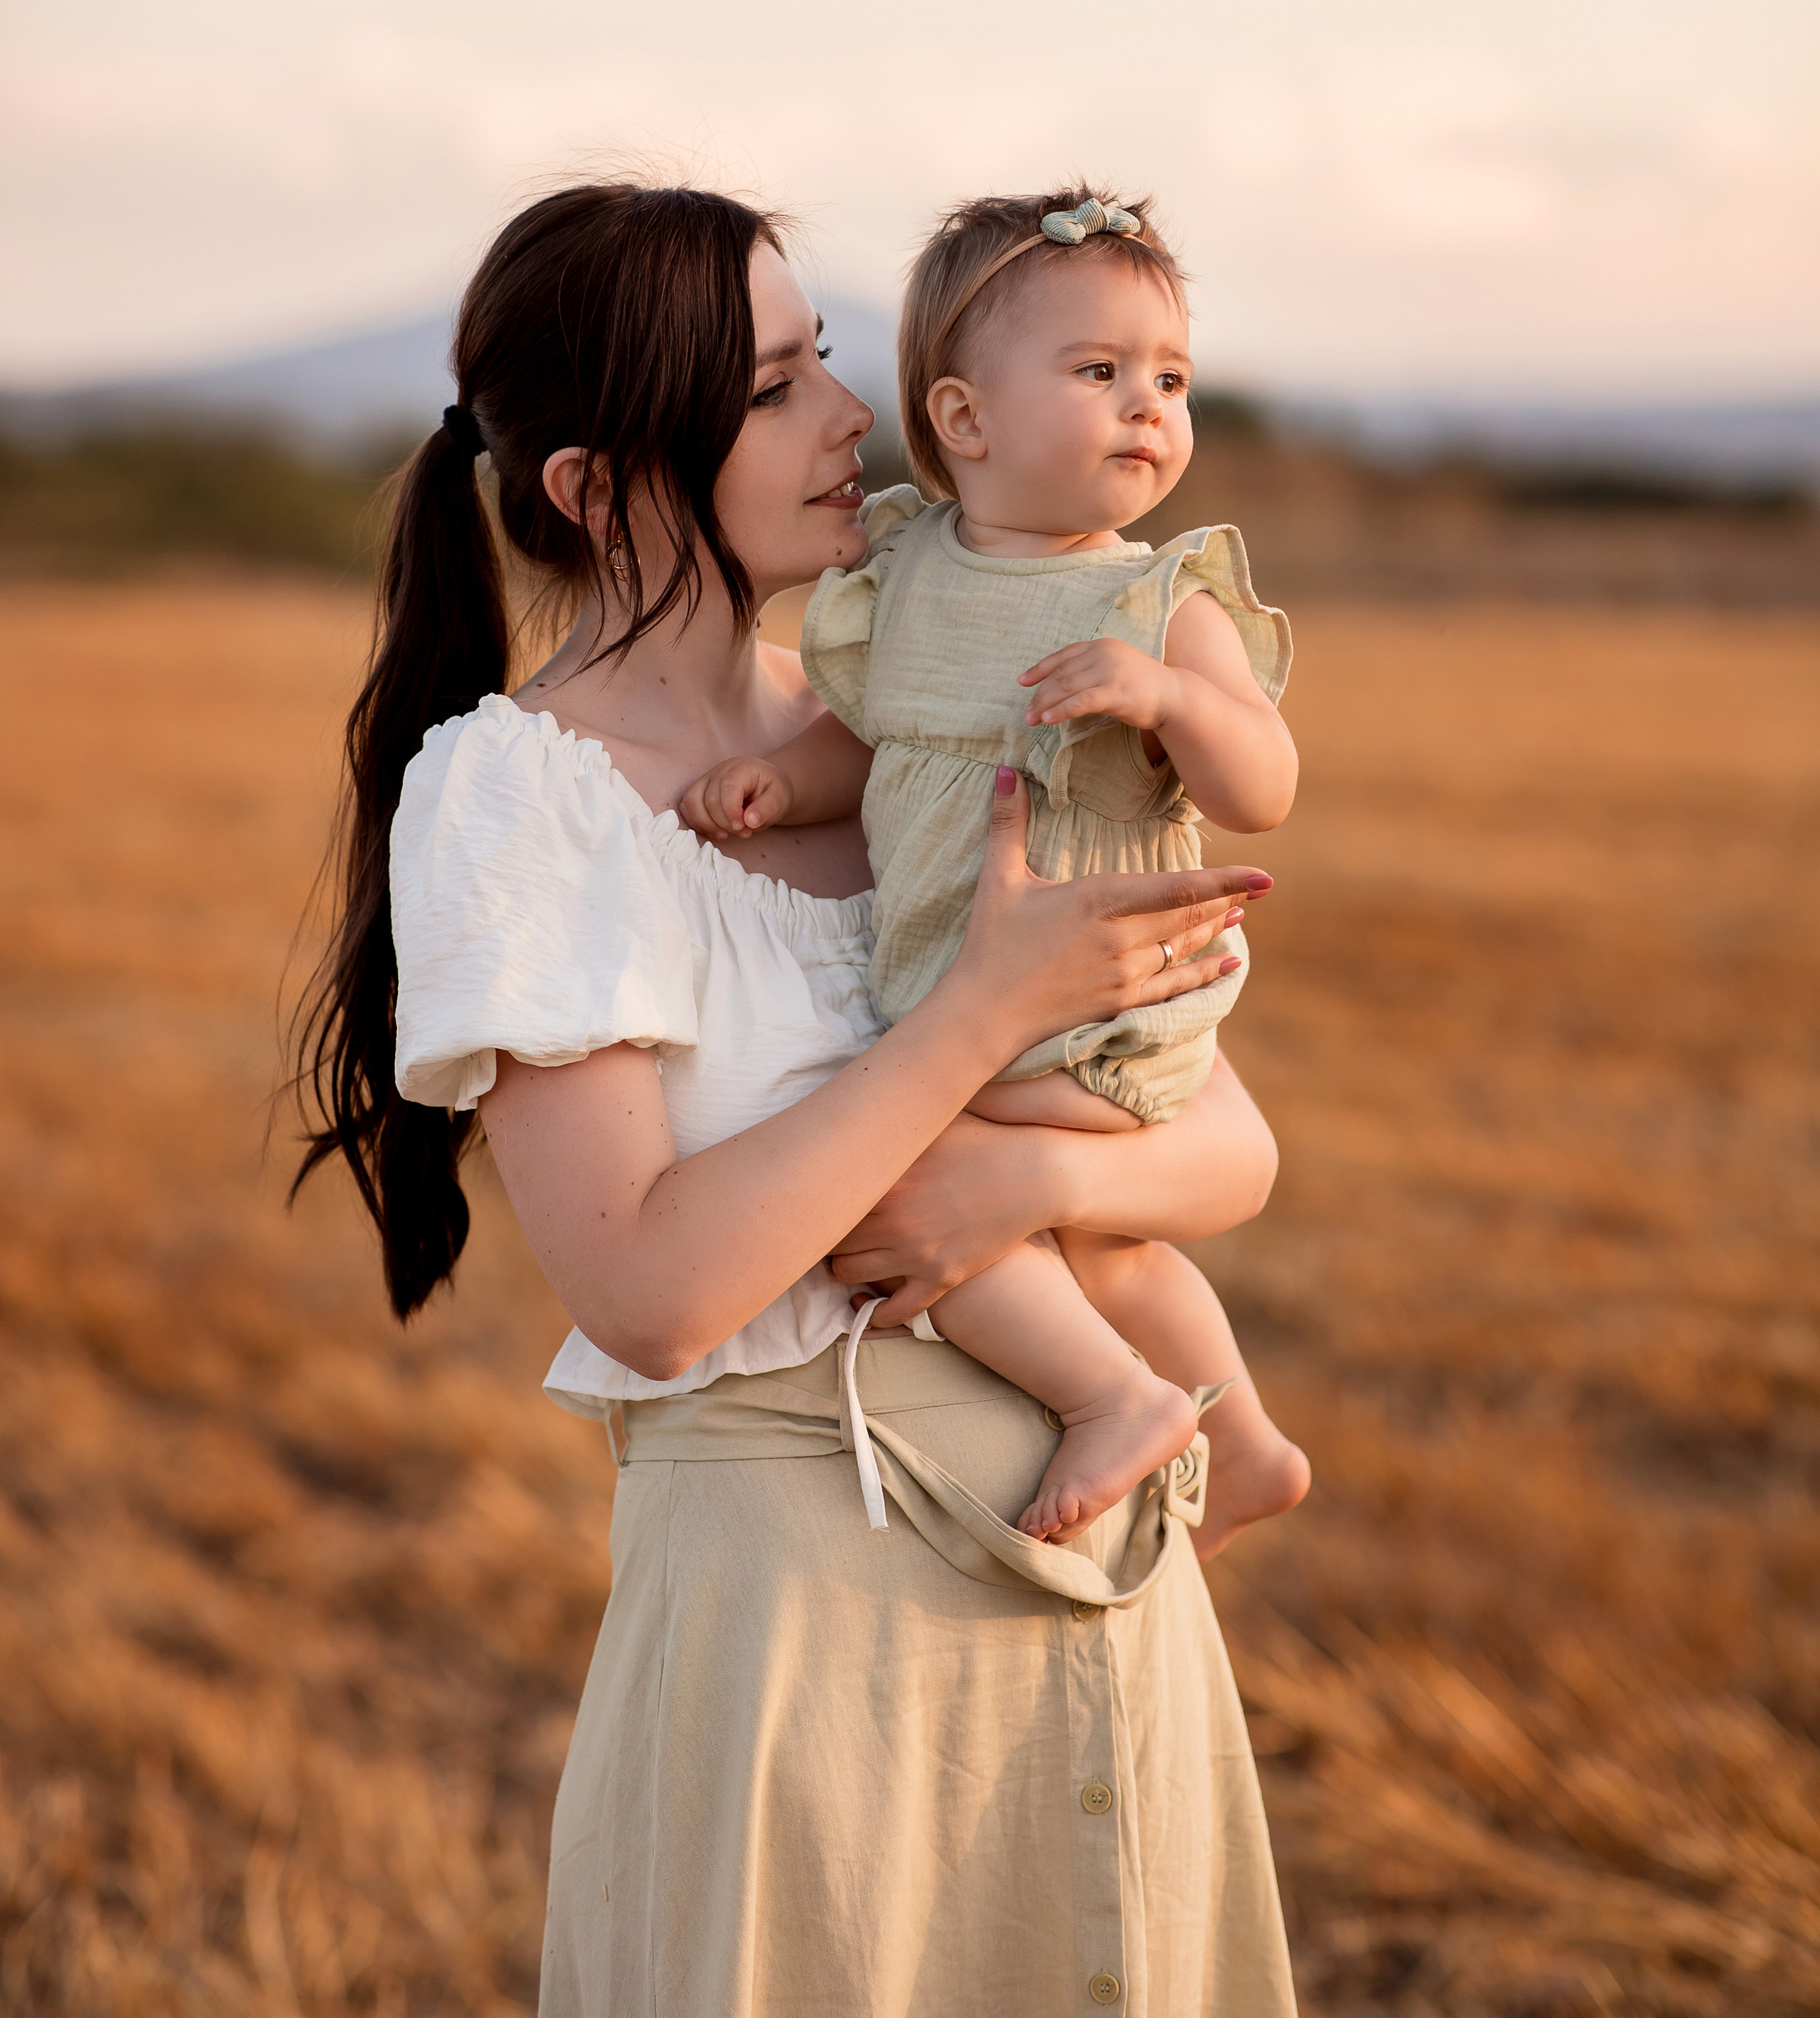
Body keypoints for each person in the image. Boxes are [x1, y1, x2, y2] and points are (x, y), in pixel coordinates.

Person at [295, 176, 1300, 2017]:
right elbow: (653, 1293)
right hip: (807, 1630)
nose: (853, 414)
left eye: (824, 352)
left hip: (1102, 1592)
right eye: (773, 389)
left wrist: (1005, 1189)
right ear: (599, 488)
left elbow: (1229, 1145)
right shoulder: (522, 797)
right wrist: (975, 1025)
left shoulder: (934, 721)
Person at [679, 185, 1312, 1549]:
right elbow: (897, 744)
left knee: (908, 1191)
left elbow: (1264, 786)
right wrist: (787, 783)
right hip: (972, 988)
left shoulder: (1158, 601)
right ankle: (1245, 1438)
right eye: (1101, 374)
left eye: (1171, 379)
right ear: (962, 421)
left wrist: (1172, 704)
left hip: (1097, 997)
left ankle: (1114, 1400)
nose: (1149, 407)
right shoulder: (910, 574)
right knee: (1107, 1248)